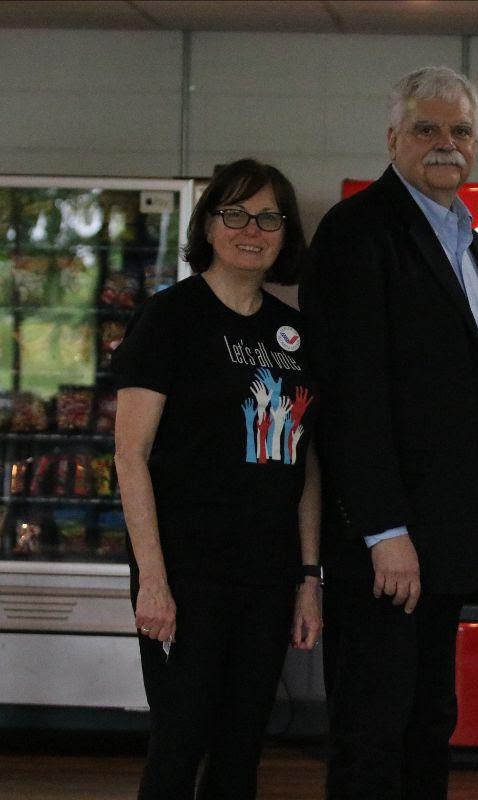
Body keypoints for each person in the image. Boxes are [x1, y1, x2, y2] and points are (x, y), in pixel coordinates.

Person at [299, 66, 478, 799]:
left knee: (429, 725)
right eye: (427, 128)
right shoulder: (358, 232)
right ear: (393, 137)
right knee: (373, 733)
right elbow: (349, 396)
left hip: (448, 540)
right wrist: (383, 528)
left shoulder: (469, 240)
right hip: (388, 549)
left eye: (460, 131)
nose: (446, 144)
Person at [113, 158, 322, 800]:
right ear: (208, 225)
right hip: (186, 574)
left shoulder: (293, 336)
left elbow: (306, 462)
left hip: (266, 576)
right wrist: (153, 581)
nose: (251, 229)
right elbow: (130, 453)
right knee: (180, 743)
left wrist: (309, 579)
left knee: (241, 752)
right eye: (234, 213)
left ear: (285, 234)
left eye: (268, 217)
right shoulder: (170, 317)